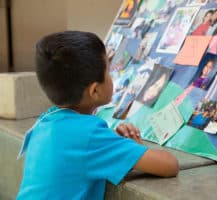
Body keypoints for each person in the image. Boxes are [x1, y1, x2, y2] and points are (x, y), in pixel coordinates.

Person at [17, 31, 179, 200]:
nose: (111, 77)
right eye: (108, 71)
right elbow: (169, 165)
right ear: (95, 91)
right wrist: (134, 149)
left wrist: (115, 144)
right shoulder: (90, 135)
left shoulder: (46, 121)